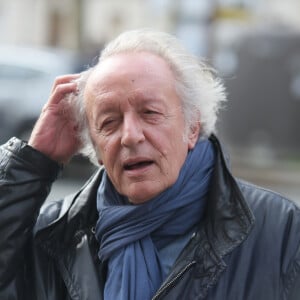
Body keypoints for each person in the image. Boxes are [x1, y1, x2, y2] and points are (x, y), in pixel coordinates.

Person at [0, 29, 300, 300]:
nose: (130, 136)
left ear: (192, 126)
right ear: (96, 147)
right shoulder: (55, 235)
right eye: (109, 122)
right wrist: (31, 163)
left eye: (150, 113)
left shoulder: (282, 230)